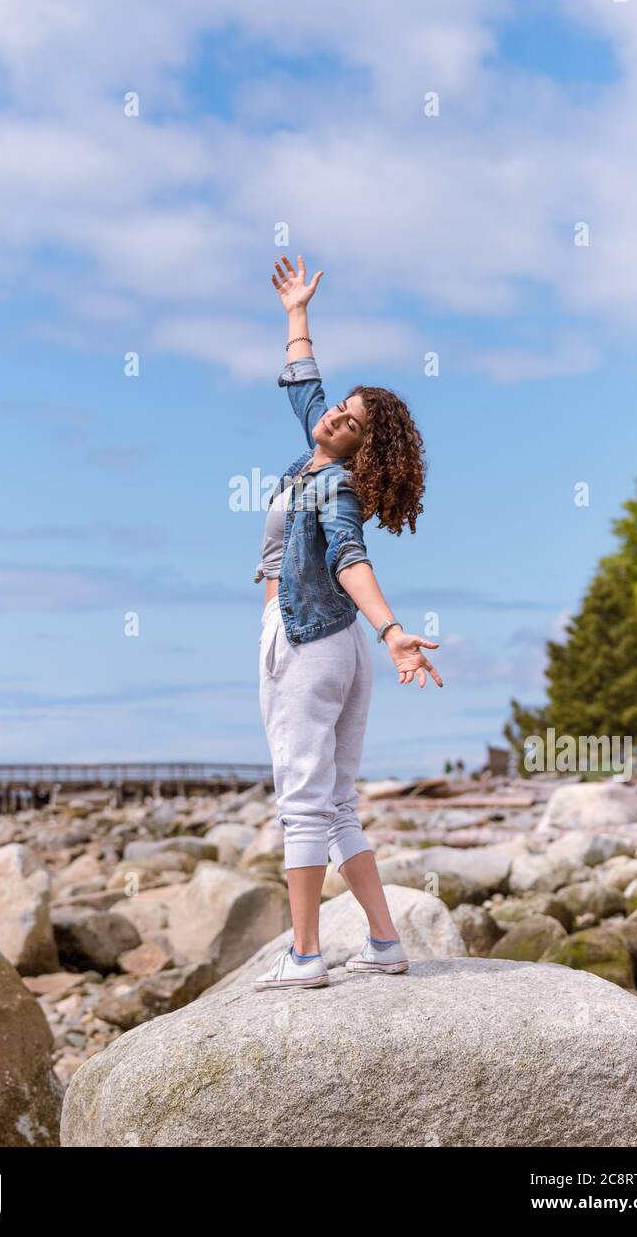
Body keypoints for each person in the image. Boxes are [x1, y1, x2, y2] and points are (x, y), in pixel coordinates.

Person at [253, 254, 443, 991]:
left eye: (352, 419)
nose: (335, 414)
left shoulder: (331, 483)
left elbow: (348, 558)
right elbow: (306, 383)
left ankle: (304, 955)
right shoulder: (319, 447)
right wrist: (297, 313)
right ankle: (385, 940)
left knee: (302, 800)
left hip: (306, 642)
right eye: (342, 408)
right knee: (335, 803)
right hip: (341, 647)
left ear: (363, 447)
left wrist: (395, 631)